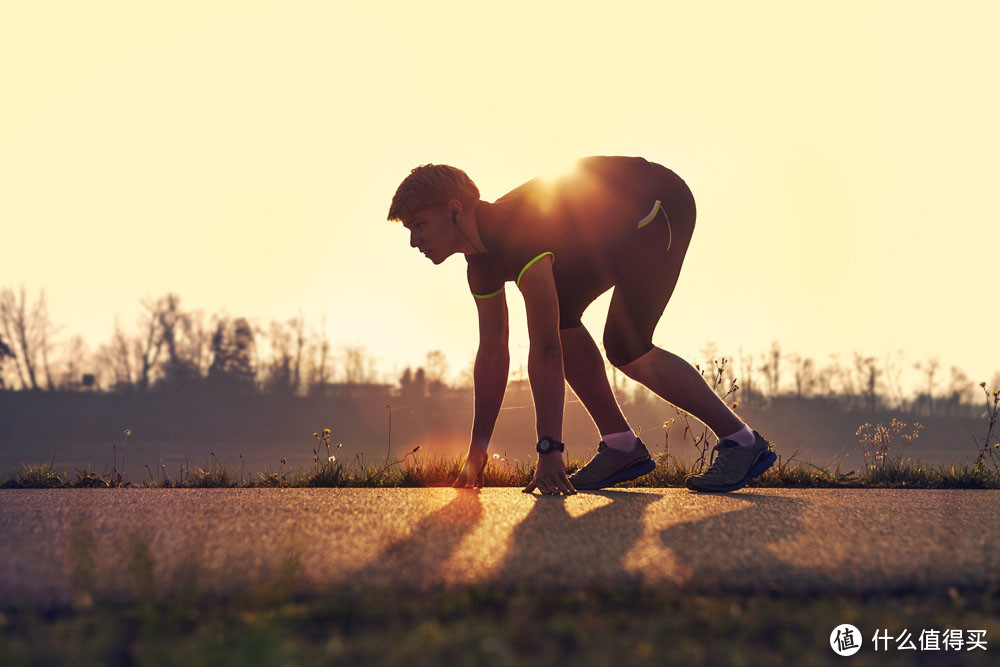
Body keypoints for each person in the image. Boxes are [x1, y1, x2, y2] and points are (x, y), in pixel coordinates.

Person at [387, 156, 777, 495]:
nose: (413, 242)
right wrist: (477, 450)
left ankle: (742, 442)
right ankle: (622, 447)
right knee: (563, 321)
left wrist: (549, 449)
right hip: (603, 232)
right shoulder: (481, 265)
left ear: (454, 209)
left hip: (656, 205)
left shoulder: (517, 234)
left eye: (418, 225)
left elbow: (544, 350)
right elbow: (492, 352)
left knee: (627, 346)